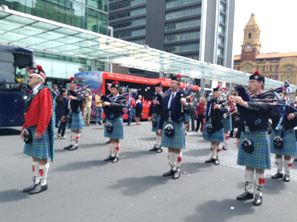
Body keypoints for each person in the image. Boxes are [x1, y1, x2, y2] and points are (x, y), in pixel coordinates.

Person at [232, 70, 274, 206]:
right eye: (249, 82)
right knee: (249, 164)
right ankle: (249, 190)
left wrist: (245, 103)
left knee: (260, 166)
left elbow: (265, 107)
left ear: (260, 83)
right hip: (247, 133)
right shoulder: (248, 95)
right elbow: (243, 118)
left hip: (260, 133)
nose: (250, 84)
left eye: (253, 82)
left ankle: (259, 193)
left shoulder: (268, 95)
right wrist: (238, 135)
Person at [21, 65, 56, 194]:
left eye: (30, 77)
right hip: (31, 128)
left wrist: (40, 130)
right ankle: (36, 180)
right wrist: (24, 128)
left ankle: (43, 182)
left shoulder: (44, 91)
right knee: (34, 156)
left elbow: (45, 112)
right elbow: (28, 112)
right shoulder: (33, 92)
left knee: (42, 156)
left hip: (39, 128)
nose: (28, 79)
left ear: (39, 79)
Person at [158, 74, 189, 180]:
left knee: (177, 148)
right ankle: (172, 167)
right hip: (167, 123)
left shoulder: (182, 95)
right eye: (170, 82)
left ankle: (178, 169)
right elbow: (162, 113)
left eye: (173, 83)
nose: (171, 84)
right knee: (169, 147)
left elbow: (189, 111)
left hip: (177, 124)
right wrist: (159, 127)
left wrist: (185, 105)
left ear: (178, 85)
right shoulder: (166, 97)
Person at [270, 88, 297, 182]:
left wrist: (293, 114)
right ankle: (279, 172)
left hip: (287, 131)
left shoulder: (290, 105)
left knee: (287, 154)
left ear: (285, 96)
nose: (278, 97)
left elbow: (296, 111)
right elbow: (272, 115)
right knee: (278, 153)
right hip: (276, 130)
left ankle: (287, 173)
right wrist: (285, 116)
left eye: (280, 95)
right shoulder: (273, 105)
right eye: (277, 96)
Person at [203, 85, 228, 165]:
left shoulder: (223, 101)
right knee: (212, 141)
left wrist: (219, 108)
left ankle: (217, 157)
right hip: (210, 122)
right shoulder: (210, 100)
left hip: (218, 123)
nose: (214, 93)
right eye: (213, 92)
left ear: (219, 93)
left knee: (217, 142)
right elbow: (207, 110)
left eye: (216, 92)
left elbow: (226, 109)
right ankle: (212, 156)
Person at [102, 81, 126, 163]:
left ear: (118, 90)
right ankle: (111, 154)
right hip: (109, 119)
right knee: (111, 138)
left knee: (116, 138)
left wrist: (109, 104)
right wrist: (104, 120)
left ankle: (116, 155)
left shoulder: (122, 97)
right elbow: (106, 111)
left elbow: (120, 106)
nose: (112, 91)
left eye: (114, 89)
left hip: (117, 118)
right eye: (111, 89)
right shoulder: (109, 97)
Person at [62, 77, 85, 151]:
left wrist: (74, 98)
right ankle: (72, 143)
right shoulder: (69, 92)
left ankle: (75, 144)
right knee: (72, 129)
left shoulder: (80, 91)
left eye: (71, 84)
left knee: (76, 129)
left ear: (75, 85)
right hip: (70, 112)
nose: (69, 86)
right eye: (69, 84)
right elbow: (66, 103)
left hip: (76, 112)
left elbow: (82, 97)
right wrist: (64, 114)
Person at [148, 82, 164, 153]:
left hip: (161, 115)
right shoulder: (154, 96)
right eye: (155, 88)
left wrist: (158, 103)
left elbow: (164, 105)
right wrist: (149, 115)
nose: (156, 89)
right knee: (156, 132)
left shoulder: (164, 96)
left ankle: (159, 146)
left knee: (159, 131)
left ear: (161, 88)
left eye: (157, 88)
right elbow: (151, 106)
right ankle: (157, 145)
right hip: (155, 115)